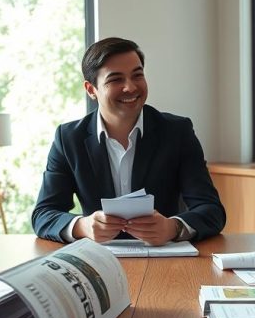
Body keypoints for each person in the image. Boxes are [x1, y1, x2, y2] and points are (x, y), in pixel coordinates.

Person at [32, 37, 226, 245]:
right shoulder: (69, 138)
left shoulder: (177, 132)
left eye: (137, 75)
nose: (130, 87)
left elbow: (212, 211)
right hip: (99, 260)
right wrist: (83, 226)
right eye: (116, 79)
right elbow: (43, 214)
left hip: (165, 259)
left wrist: (173, 227)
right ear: (91, 90)